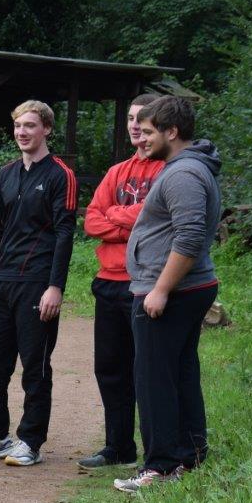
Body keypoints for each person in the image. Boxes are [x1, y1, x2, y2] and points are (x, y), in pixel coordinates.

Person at [0, 100, 76, 467]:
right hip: (1, 283)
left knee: (34, 367)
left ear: (47, 130)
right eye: (18, 126)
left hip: (38, 283)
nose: (22, 132)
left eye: (30, 125)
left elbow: (65, 232)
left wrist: (55, 286)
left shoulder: (60, 175)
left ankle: (30, 441)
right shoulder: (5, 175)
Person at [115, 97, 221, 492]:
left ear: (171, 132)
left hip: (171, 291)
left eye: (149, 132)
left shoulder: (182, 174)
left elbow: (190, 237)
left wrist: (160, 289)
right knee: (179, 372)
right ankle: (189, 457)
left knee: (154, 378)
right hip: (184, 287)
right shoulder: (188, 167)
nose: (141, 139)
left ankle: (159, 467)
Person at [79, 93, 164, 470]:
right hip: (107, 282)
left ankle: (157, 450)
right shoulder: (116, 172)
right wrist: (125, 220)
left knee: (145, 369)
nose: (134, 125)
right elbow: (91, 220)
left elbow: (154, 218)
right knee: (110, 369)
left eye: (142, 119)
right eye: (130, 118)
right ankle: (118, 448)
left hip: (145, 283)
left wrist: (116, 216)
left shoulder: (167, 170)